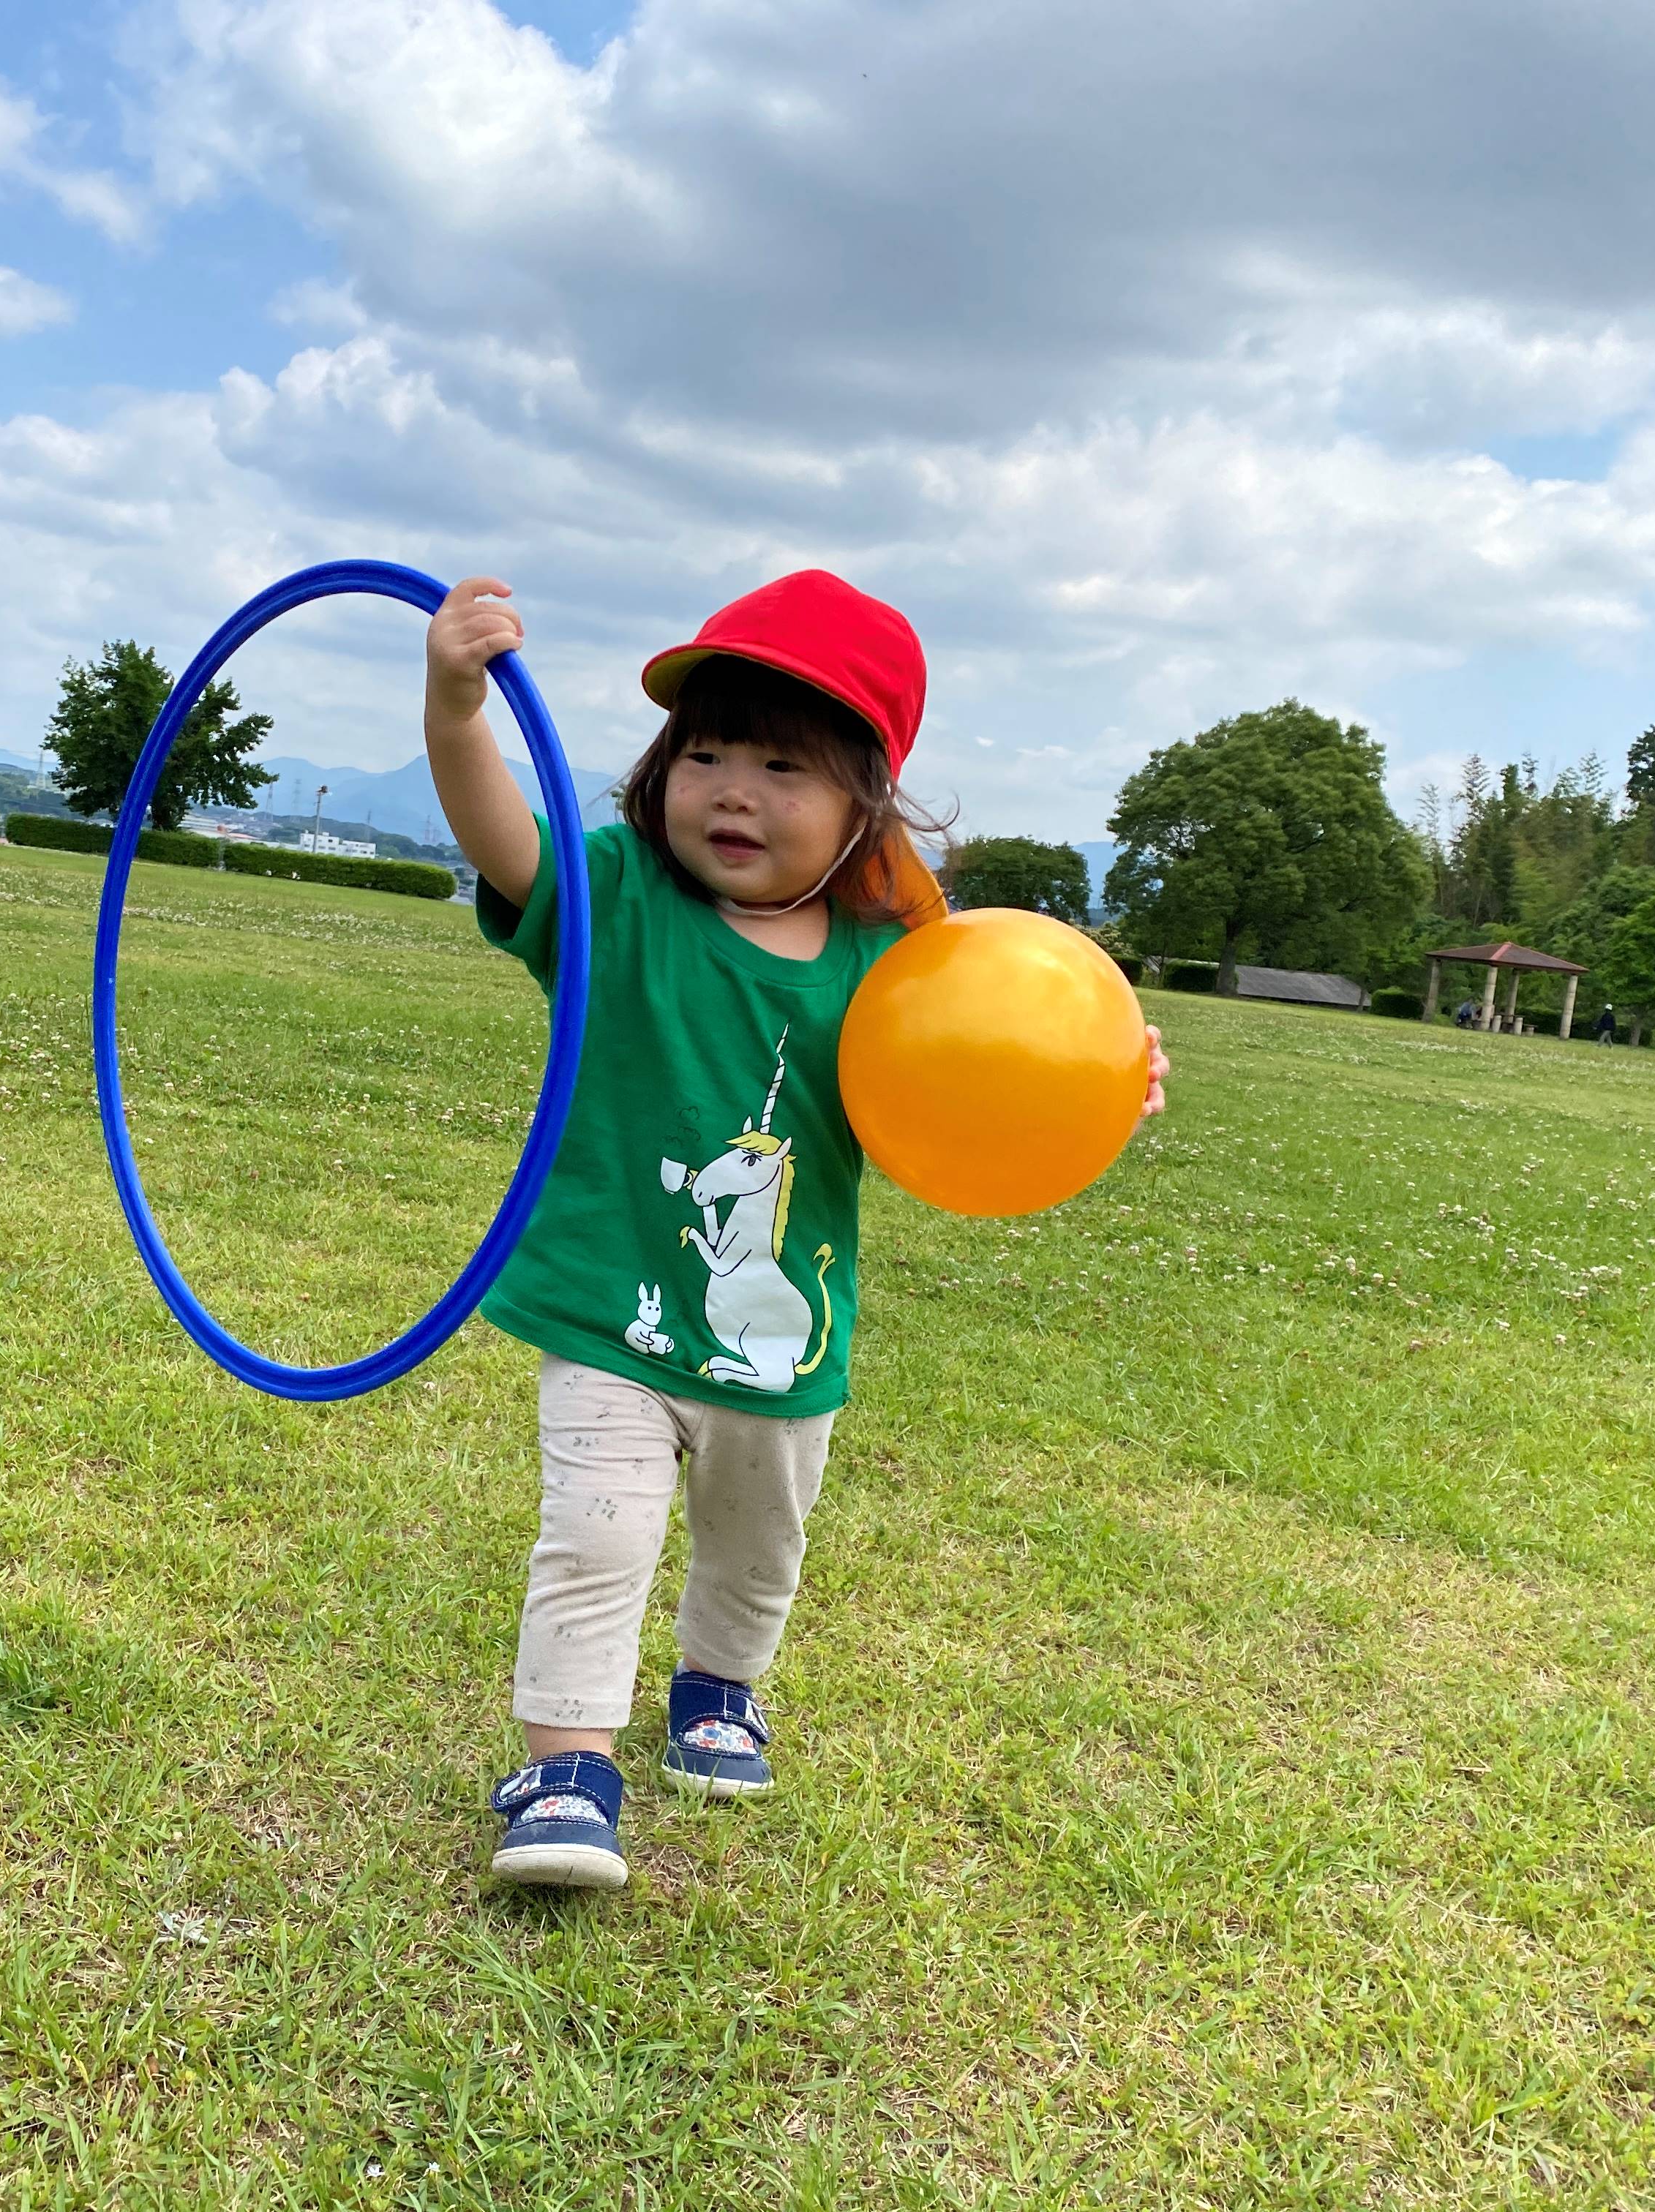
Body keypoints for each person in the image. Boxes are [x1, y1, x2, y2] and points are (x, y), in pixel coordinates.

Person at [421, 571, 1167, 1889]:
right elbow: (502, 841)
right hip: (613, 1309)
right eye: (703, 753)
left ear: (863, 807)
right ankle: (566, 1767)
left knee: (758, 1541)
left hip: (783, 1339)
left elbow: (990, 1075)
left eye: (782, 765)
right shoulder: (617, 896)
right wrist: (458, 705)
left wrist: (1098, 1077)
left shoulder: (899, 964)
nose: (732, 790)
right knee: (596, 1532)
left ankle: (718, 1690)